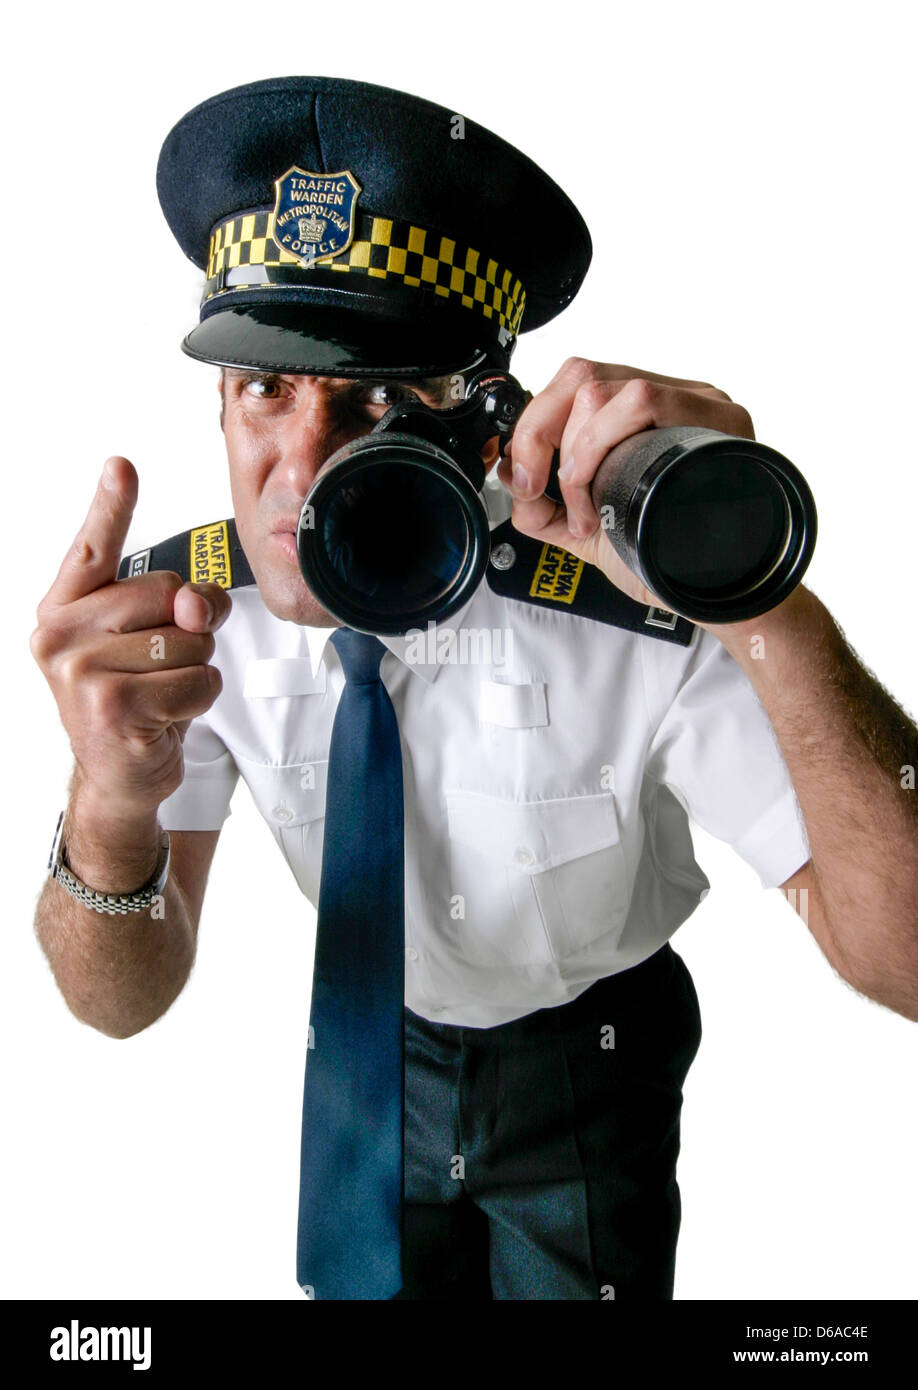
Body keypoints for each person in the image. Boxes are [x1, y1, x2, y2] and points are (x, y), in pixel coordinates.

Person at [30, 76, 918, 1301]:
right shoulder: (186, 621)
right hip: (368, 1046)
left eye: (377, 396)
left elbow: (906, 960)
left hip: (586, 1054)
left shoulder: (625, 607)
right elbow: (117, 1003)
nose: (298, 467)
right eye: (264, 388)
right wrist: (110, 801)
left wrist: (753, 589)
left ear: (481, 419)